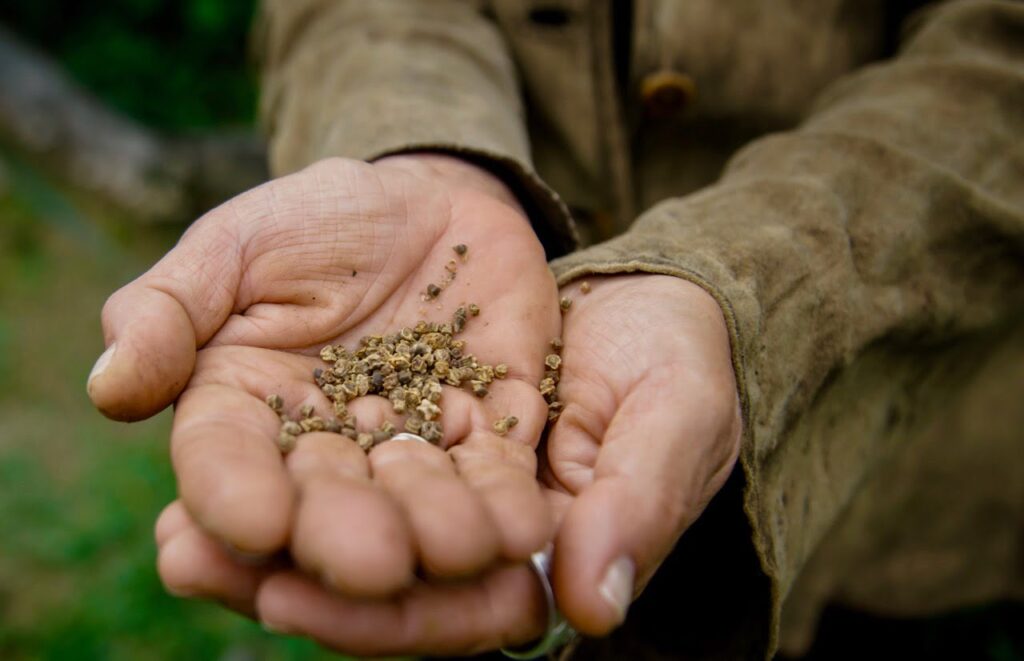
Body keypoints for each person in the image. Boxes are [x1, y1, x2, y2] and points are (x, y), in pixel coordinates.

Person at [87, 1, 1024, 658]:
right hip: (512, 505)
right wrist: (420, 148)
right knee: (447, 589)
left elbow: (999, 55)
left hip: (903, 478)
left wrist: (737, 283)